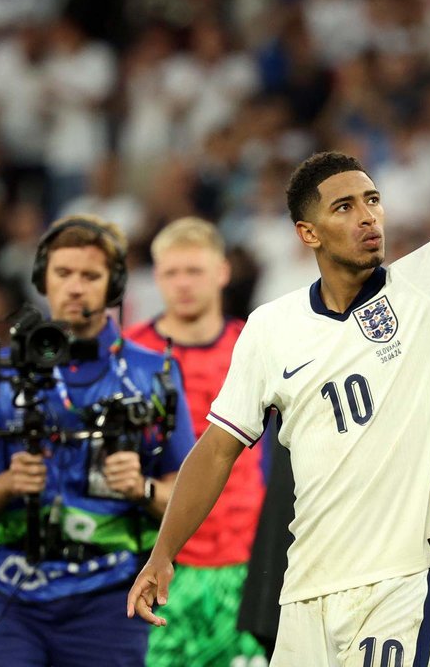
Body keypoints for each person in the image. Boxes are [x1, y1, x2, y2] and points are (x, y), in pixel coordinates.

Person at [128, 0, 430, 666]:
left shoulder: (426, 288)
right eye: (344, 207)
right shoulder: (272, 327)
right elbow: (217, 451)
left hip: (400, 583)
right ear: (308, 233)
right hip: (303, 592)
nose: (368, 216)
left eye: (371, 199)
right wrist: (163, 552)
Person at [0, 214, 195, 666]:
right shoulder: (0, 375)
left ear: (114, 285)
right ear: (43, 279)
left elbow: (188, 500)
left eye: (91, 275)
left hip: (111, 601)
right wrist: (7, 483)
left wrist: (140, 488)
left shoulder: (153, 374)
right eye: (63, 274)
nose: (76, 287)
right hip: (13, 601)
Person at [124, 217, 266, 666]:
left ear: (223, 272)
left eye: (195, 271)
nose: (182, 284)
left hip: (244, 562)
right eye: (171, 273)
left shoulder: (256, 345)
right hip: (159, 564)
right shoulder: (130, 355)